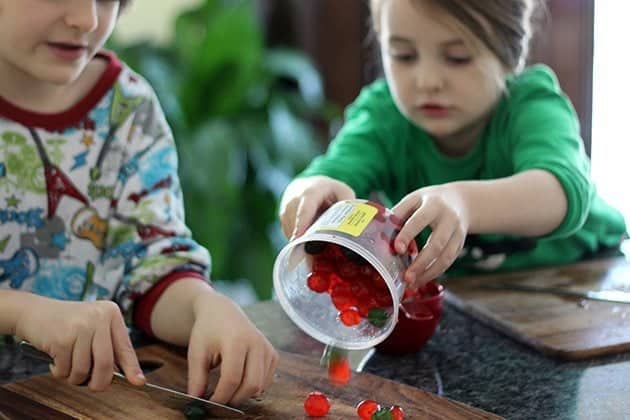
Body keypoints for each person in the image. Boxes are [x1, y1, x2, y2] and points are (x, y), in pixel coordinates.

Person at [0, 0, 277, 406]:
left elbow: (153, 266)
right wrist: (23, 313)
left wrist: (204, 306)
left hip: (90, 404)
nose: (87, 19)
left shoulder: (129, 108)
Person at [279, 0, 627, 290]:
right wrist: (307, 191)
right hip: (474, 298)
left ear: (510, 56)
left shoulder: (532, 105)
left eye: (458, 57)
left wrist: (464, 203)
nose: (428, 81)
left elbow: (563, 193)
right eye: (403, 55)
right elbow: (326, 174)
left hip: (586, 282)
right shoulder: (382, 117)